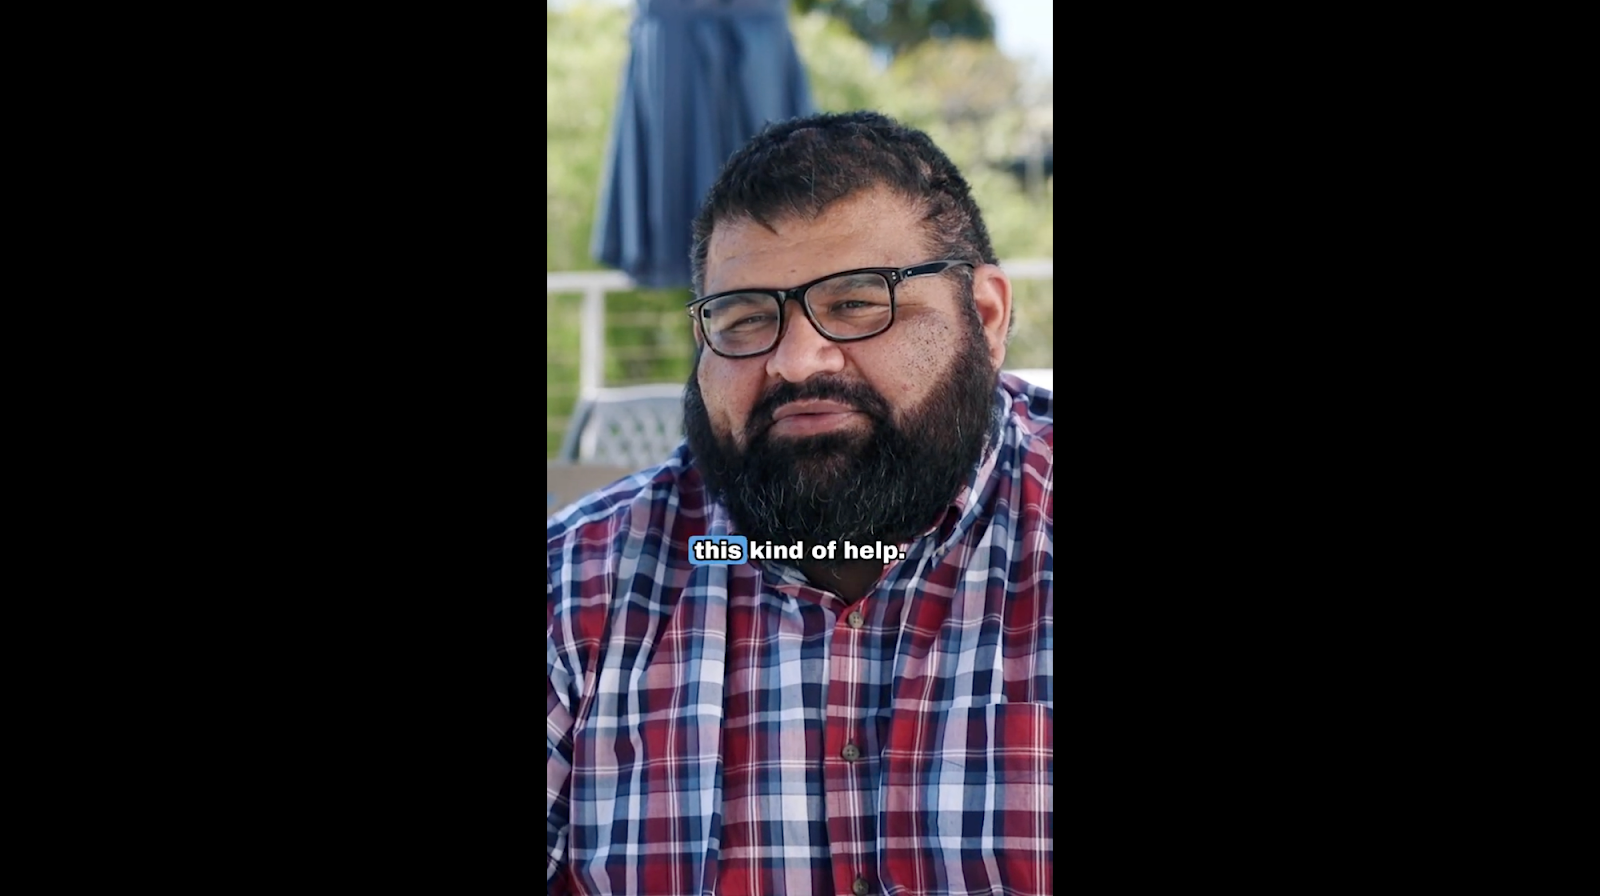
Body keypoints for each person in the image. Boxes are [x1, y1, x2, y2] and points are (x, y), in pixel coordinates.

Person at [547, 110, 1053, 896]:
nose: (795, 360)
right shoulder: (577, 588)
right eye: (746, 317)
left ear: (985, 317)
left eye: (857, 302)